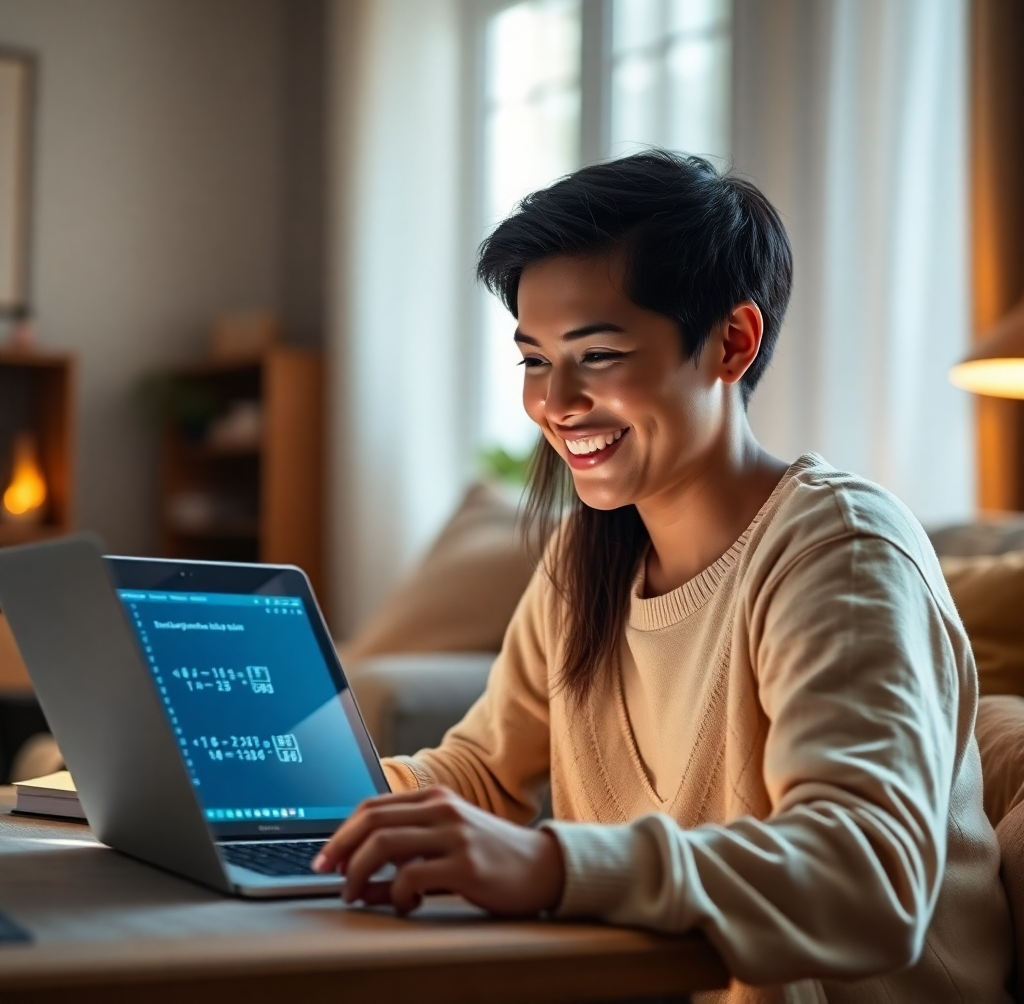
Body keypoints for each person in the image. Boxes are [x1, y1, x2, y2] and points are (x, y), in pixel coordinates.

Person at [313, 151, 1013, 1002]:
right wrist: (272, 799)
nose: (554, 403)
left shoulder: (843, 552)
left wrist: (547, 862)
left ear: (732, 341)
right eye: (534, 359)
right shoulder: (588, 557)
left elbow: (865, 874)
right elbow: (480, 772)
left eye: (597, 355)